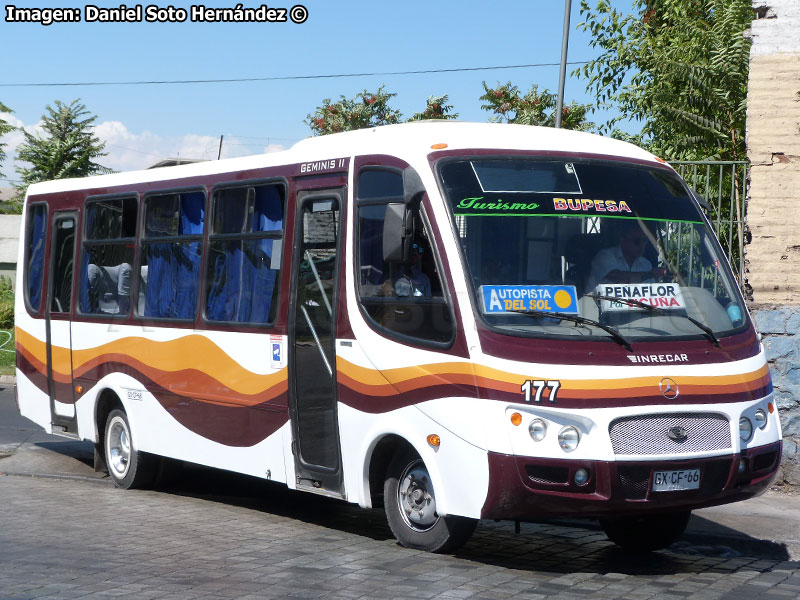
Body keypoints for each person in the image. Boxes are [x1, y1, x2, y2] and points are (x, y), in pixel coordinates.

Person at [585, 222, 667, 292]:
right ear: (623, 239)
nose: (642, 246)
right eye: (636, 241)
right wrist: (650, 274)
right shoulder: (605, 256)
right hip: (595, 305)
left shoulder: (646, 264)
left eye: (644, 241)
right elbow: (618, 277)